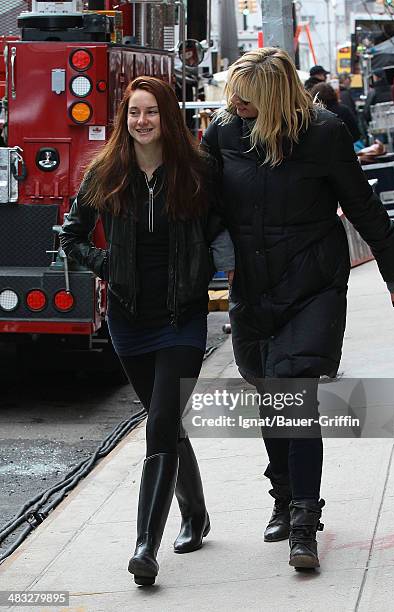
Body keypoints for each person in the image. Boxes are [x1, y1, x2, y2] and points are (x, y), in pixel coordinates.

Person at [201, 47, 394, 570]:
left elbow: (360, 200)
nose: (236, 108)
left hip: (312, 283)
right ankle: (282, 497)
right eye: (233, 99)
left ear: (273, 99)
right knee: (268, 392)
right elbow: (200, 205)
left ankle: (303, 521)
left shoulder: (323, 132)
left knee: (294, 394)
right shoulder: (224, 134)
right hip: (253, 285)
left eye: (246, 101)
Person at [59, 76, 234, 585]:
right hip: (129, 320)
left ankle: (145, 548)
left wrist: (222, 276)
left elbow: (223, 230)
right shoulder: (106, 172)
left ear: (168, 117)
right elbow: (70, 237)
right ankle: (196, 514)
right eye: (134, 112)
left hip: (182, 320)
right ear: (124, 119)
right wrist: (105, 264)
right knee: (167, 424)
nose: (142, 121)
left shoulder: (198, 172)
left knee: (159, 426)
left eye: (151, 112)